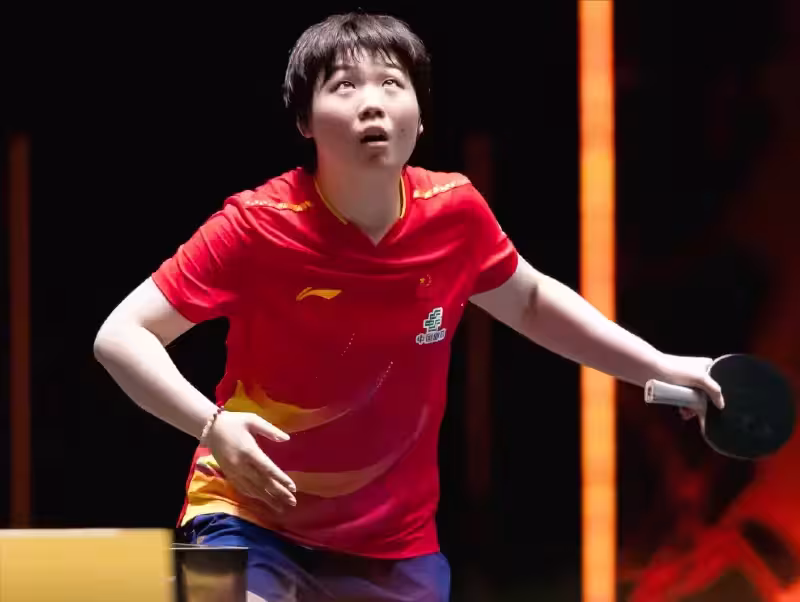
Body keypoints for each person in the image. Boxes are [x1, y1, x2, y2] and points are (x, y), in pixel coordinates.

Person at [93, 11, 724, 602]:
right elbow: (121, 336)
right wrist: (213, 427)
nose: (372, 101)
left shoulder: (455, 213)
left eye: (392, 83)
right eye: (343, 85)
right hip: (243, 513)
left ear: (419, 118)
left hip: (392, 542)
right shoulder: (255, 224)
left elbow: (531, 302)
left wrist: (661, 365)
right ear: (304, 120)